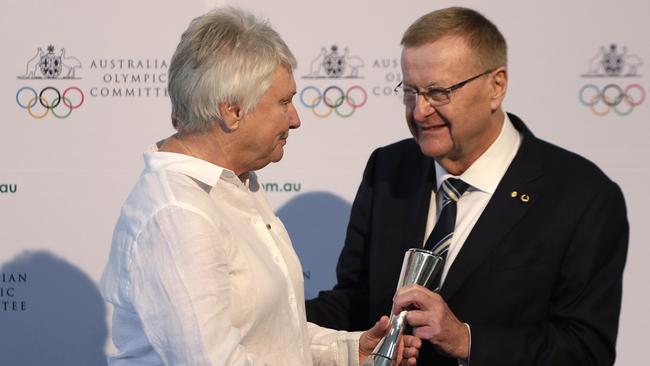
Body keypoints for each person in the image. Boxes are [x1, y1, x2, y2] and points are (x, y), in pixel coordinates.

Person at [306, 6, 628, 366]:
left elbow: (586, 349)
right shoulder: (389, 168)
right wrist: (258, 318)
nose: (419, 111)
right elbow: (355, 301)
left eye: (438, 92)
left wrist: (466, 340)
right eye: (410, 91)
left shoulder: (581, 197)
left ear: (496, 86)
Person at [99, 7, 420, 366]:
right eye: (284, 102)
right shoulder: (179, 214)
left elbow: (271, 333)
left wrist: (350, 351)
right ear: (232, 111)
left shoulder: (234, 184)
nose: (295, 120)